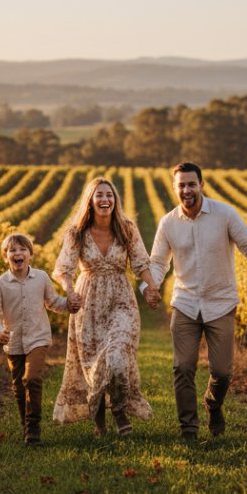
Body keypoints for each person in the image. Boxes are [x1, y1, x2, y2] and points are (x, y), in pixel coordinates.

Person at [148, 162, 247, 441]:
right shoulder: (168, 223)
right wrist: (151, 286)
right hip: (185, 302)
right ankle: (189, 429)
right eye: (182, 185)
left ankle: (213, 404)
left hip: (221, 302)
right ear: (175, 188)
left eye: (192, 184)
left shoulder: (224, 214)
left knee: (222, 371)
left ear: (201, 185)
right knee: (183, 367)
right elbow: (157, 262)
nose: (187, 190)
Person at [52, 177, 158, 436]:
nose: (105, 200)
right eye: (99, 195)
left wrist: (152, 289)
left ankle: (120, 411)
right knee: (95, 365)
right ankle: (99, 418)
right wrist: (70, 293)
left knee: (119, 357)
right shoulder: (76, 232)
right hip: (88, 303)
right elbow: (63, 269)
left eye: (109, 195)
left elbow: (141, 264)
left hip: (121, 301)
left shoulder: (127, 228)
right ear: (90, 200)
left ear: (115, 200)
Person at [0, 233, 82, 445]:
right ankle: (26, 425)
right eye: (12, 250)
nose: (17, 253)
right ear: (5, 257)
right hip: (14, 342)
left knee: (32, 379)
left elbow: (52, 301)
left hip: (38, 338)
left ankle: (33, 428)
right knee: (19, 387)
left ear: (30, 254)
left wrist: (68, 304)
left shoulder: (41, 278)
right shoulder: (0, 283)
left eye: (22, 249)